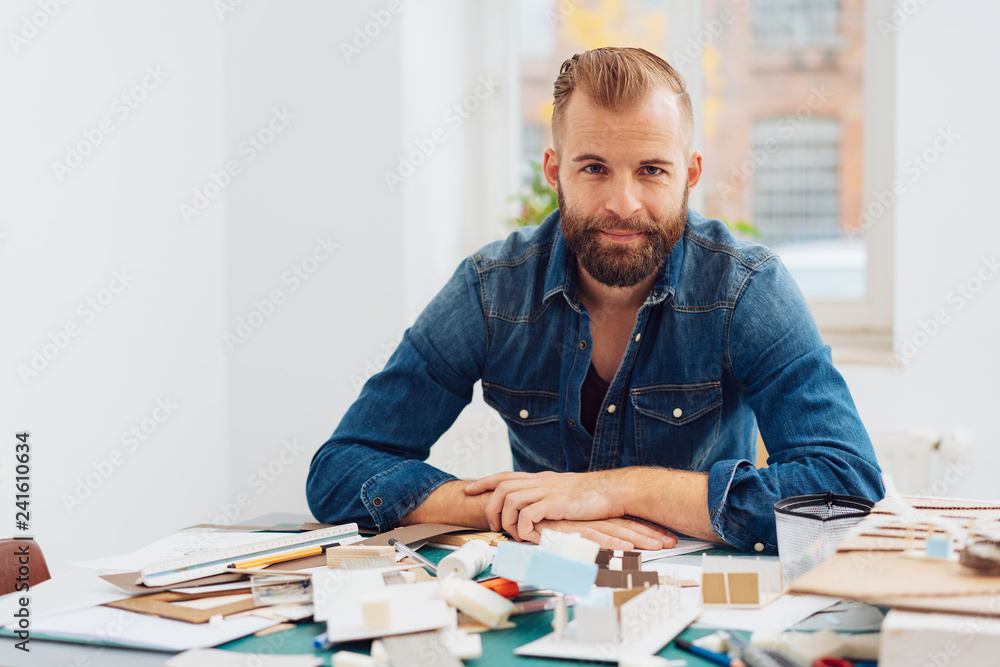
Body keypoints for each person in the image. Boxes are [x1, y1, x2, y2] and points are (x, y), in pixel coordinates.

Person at [307, 47, 883, 553]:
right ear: (555, 171)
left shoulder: (747, 288)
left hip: (703, 598)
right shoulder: (490, 290)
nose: (623, 203)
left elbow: (846, 488)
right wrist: (516, 510)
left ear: (690, 175)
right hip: (544, 579)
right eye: (594, 168)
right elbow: (340, 470)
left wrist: (609, 489)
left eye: (652, 170)